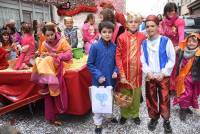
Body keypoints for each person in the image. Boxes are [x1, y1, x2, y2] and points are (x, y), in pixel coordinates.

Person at [31, 22, 72, 125]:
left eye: (51, 35)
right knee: (40, 60)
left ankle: (46, 82)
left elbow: (69, 54)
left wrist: (58, 56)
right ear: (44, 36)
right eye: (47, 35)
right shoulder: (44, 43)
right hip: (49, 66)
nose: (50, 37)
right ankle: (47, 82)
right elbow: (42, 53)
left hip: (61, 63)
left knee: (47, 59)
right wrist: (45, 55)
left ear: (55, 33)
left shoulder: (62, 41)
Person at [141, 15, 175, 134]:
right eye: (147, 26)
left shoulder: (166, 41)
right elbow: (143, 60)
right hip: (150, 76)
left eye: (152, 26)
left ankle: (166, 120)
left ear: (157, 26)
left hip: (163, 76)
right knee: (151, 98)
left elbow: (172, 59)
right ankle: (154, 118)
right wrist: (148, 72)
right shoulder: (144, 43)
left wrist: (164, 72)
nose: (150, 28)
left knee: (164, 99)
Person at [87, 21, 118, 134]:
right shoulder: (95, 46)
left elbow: (117, 63)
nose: (107, 34)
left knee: (109, 99)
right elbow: (90, 64)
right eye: (104, 32)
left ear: (112, 33)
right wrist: (98, 75)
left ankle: (109, 116)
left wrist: (115, 71)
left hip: (110, 79)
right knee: (98, 100)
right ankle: (98, 123)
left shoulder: (114, 46)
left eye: (110, 32)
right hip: (98, 80)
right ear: (100, 32)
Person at [116, 12, 146, 125]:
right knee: (124, 95)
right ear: (127, 24)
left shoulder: (143, 37)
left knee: (136, 96)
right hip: (125, 73)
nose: (133, 24)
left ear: (139, 23)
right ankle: (124, 114)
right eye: (131, 21)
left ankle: (135, 114)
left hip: (137, 74)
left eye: (136, 22)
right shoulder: (121, 37)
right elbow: (118, 56)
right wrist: (121, 73)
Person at [173, 33, 200, 121]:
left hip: (195, 78)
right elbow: (173, 54)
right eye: (189, 41)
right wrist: (175, 49)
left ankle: (186, 107)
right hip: (183, 78)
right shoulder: (182, 50)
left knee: (192, 94)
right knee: (185, 94)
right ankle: (182, 110)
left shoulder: (199, 53)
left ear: (198, 43)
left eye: (194, 41)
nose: (191, 43)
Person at [159, 2, 185, 91]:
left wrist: (179, 46)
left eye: (173, 11)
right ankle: (164, 85)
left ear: (175, 11)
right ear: (165, 12)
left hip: (175, 48)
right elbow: (160, 34)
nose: (171, 13)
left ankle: (171, 87)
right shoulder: (162, 22)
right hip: (164, 47)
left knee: (173, 68)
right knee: (164, 66)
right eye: (168, 11)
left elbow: (181, 35)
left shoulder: (179, 21)